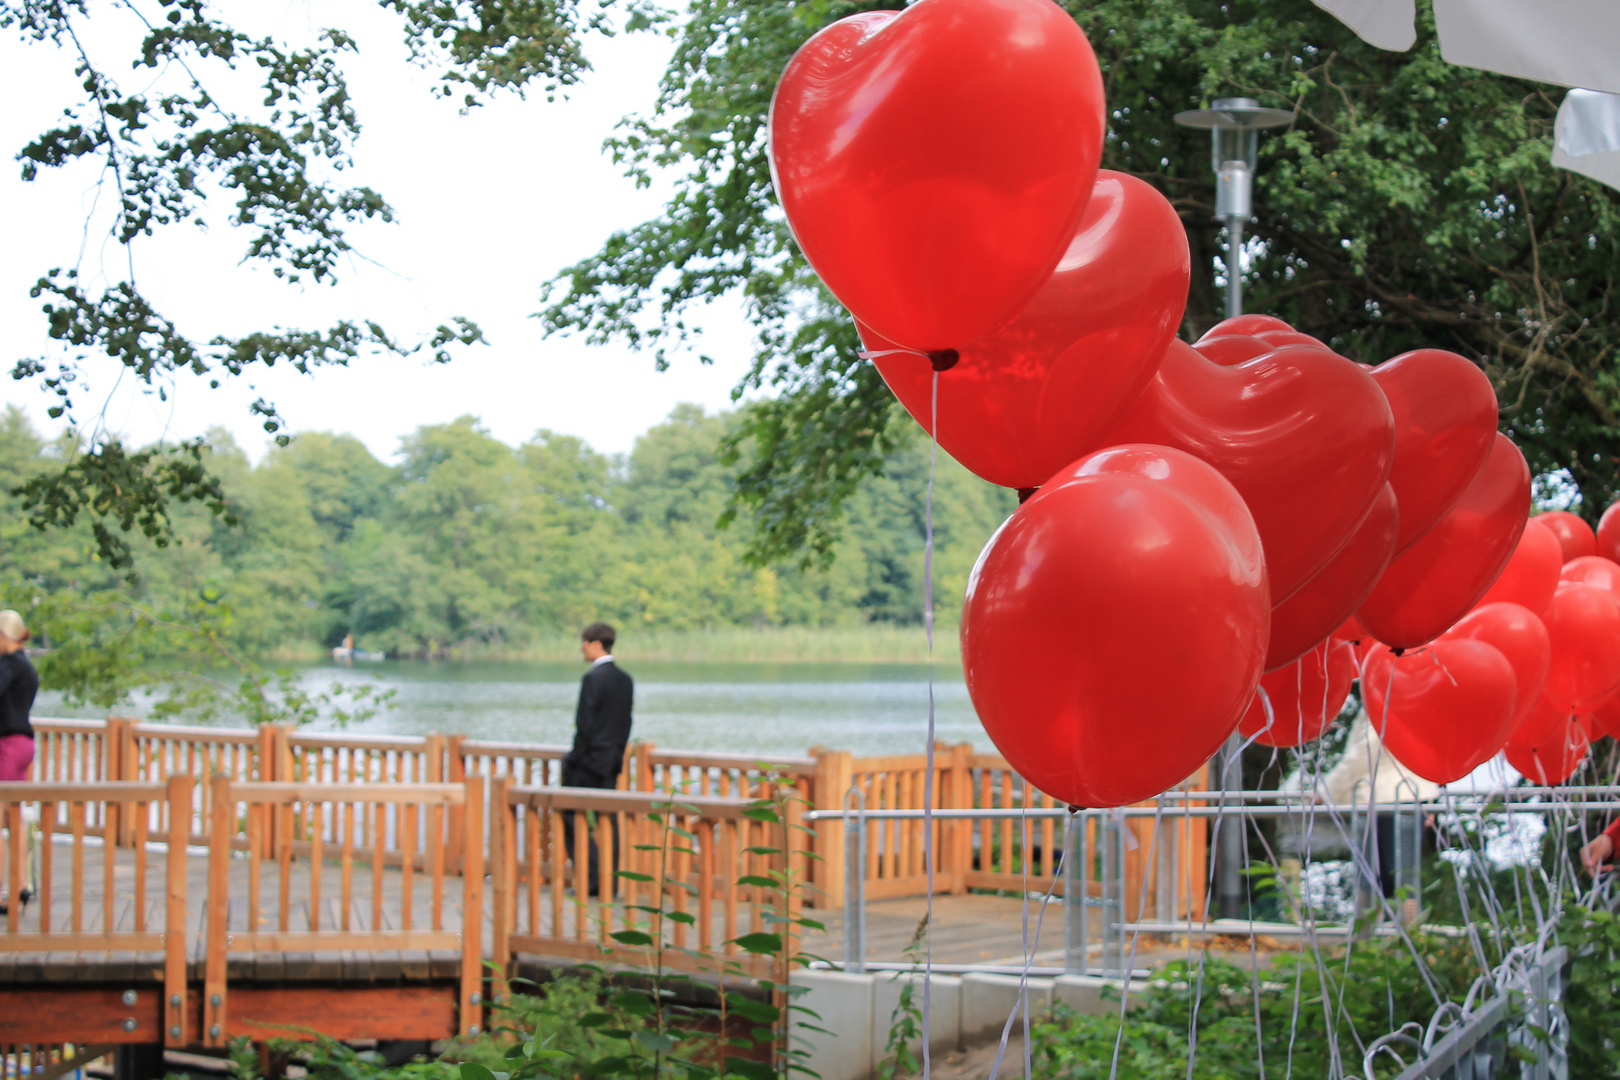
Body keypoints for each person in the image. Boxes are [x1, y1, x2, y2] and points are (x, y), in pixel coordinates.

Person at [561, 622, 633, 896]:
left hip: (588, 761)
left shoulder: (593, 679)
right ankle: (610, 884)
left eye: (584, 642)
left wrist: (573, 760)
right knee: (609, 819)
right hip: (612, 760)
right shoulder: (625, 679)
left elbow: (585, 724)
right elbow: (626, 722)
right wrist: (617, 753)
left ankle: (592, 880)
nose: (581, 647)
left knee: (570, 814)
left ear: (595, 644)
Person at [0, 610, 38, 783]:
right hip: (24, 745)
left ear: (3, 635)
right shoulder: (26, 666)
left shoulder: (8, 664)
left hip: (7, 744)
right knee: (12, 806)